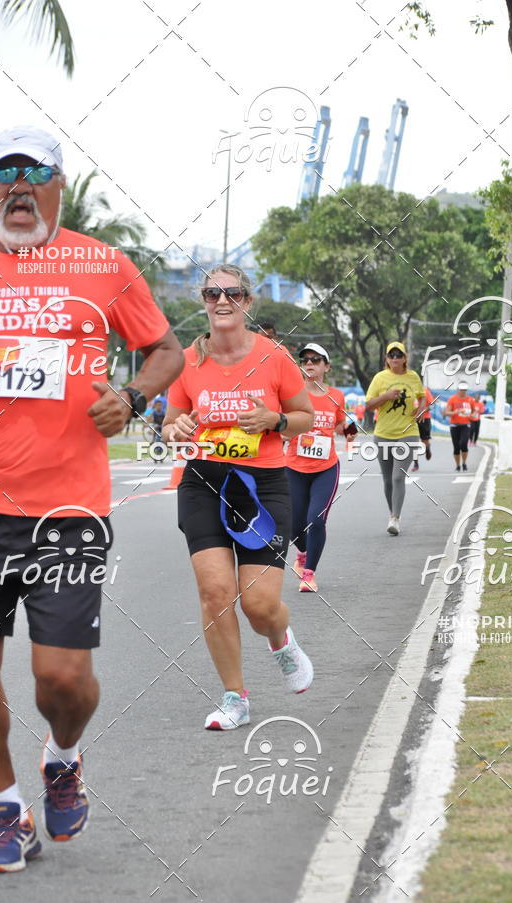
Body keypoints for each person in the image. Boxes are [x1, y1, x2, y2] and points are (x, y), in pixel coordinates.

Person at [0, 126, 183, 872]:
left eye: (35, 173)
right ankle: (7, 813)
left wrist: (131, 398)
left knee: (61, 678)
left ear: (60, 186)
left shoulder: (102, 266)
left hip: (67, 510)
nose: (19, 187)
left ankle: (63, 755)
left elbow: (166, 350)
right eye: (5, 173)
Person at [162, 264, 315, 732]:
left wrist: (274, 420)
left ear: (247, 301)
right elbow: (169, 425)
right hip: (203, 482)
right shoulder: (187, 361)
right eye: (212, 293)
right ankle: (235, 697)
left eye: (231, 293)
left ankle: (280, 638)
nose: (221, 301)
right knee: (215, 592)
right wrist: (176, 428)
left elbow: (305, 416)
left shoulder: (274, 357)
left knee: (259, 606)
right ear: (204, 301)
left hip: (262, 485)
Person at [285, 344, 345, 593]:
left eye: (316, 360)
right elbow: (282, 424)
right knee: (293, 524)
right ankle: (302, 552)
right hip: (294, 467)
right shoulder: (292, 394)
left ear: (326, 366)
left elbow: (340, 425)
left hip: (325, 468)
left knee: (316, 520)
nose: (309, 363)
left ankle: (309, 574)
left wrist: (350, 431)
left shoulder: (337, 396)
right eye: (305, 360)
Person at [365, 342, 426, 536]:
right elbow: (368, 405)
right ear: (386, 359)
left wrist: (421, 408)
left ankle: (395, 518)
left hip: (408, 432)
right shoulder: (380, 378)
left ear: (405, 358)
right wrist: (386, 396)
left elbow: (422, 396)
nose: (395, 358)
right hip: (383, 434)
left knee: (398, 476)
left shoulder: (413, 377)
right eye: (391, 355)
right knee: (388, 479)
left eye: (398, 355)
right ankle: (393, 513)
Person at [445, 381, 473, 471]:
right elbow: (447, 412)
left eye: (464, 390)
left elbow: (474, 411)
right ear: (458, 389)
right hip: (454, 425)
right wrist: (455, 412)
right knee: (456, 446)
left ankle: (464, 463)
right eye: (461, 390)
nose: (463, 391)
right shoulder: (452, 399)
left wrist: (473, 415)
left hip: (466, 425)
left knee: (464, 444)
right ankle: (457, 465)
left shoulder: (470, 400)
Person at [412, 384, 434, 471]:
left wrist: (422, 411)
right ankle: (415, 463)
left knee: (424, 441)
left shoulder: (425, 390)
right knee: (413, 442)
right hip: (412, 419)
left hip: (425, 418)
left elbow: (431, 405)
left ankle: (427, 449)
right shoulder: (407, 390)